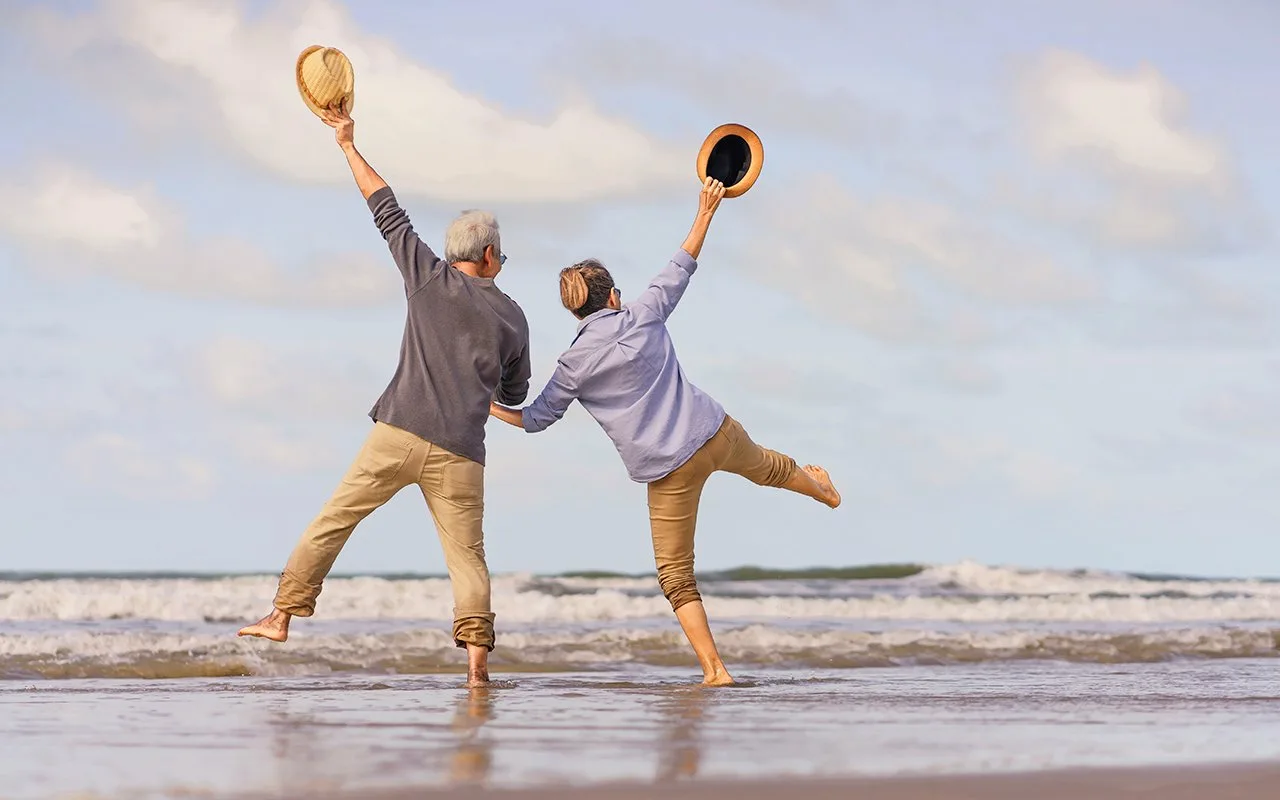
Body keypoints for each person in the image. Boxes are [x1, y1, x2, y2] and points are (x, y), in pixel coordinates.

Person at [489, 177, 840, 686]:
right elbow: (684, 262)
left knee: (677, 577)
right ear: (612, 294)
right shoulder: (643, 311)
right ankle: (823, 493)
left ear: (574, 310)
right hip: (713, 430)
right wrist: (706, 212)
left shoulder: (573, 363)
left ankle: (716, 671)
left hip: (667, 469)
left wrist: (488, 406)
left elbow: (536, 420)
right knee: (770, 468)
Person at [238, 102, 532, 688]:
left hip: (398, 431)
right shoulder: (514, 318)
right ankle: (476, 667)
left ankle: (281, 616)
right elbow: (514, 391)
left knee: (333, 521)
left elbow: (385, 207)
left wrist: (347, 144)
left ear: (455, 255)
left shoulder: (427, 276)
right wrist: (484, 392)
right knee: (468, 559)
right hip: (461, 454)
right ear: (492, 255)